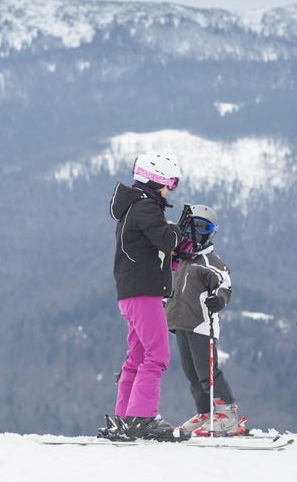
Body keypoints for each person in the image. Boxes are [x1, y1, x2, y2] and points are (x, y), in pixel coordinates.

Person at [102, 152, 188, 441]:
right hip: (144, 294)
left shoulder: (132, 208)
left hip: (129, 293)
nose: (170, 191)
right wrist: (179, 232)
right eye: (170, 184)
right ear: (155, 181)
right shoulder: (146, 207)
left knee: (137, 356)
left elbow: (154, 248)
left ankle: (126, 416)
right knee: (157, 355)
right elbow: (165, 240)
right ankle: (142, 417)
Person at [165, 204, 245, 436]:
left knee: (207, 371)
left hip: (201, 324)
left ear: (210, 233)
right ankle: (206, 412)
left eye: (201, 228)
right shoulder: (180, 260)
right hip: (179, 323)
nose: (194, 233)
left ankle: (227, 413)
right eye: (191, 227)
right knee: (191, 373)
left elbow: (224, 284)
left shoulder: (208, 261)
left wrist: (219, 300)